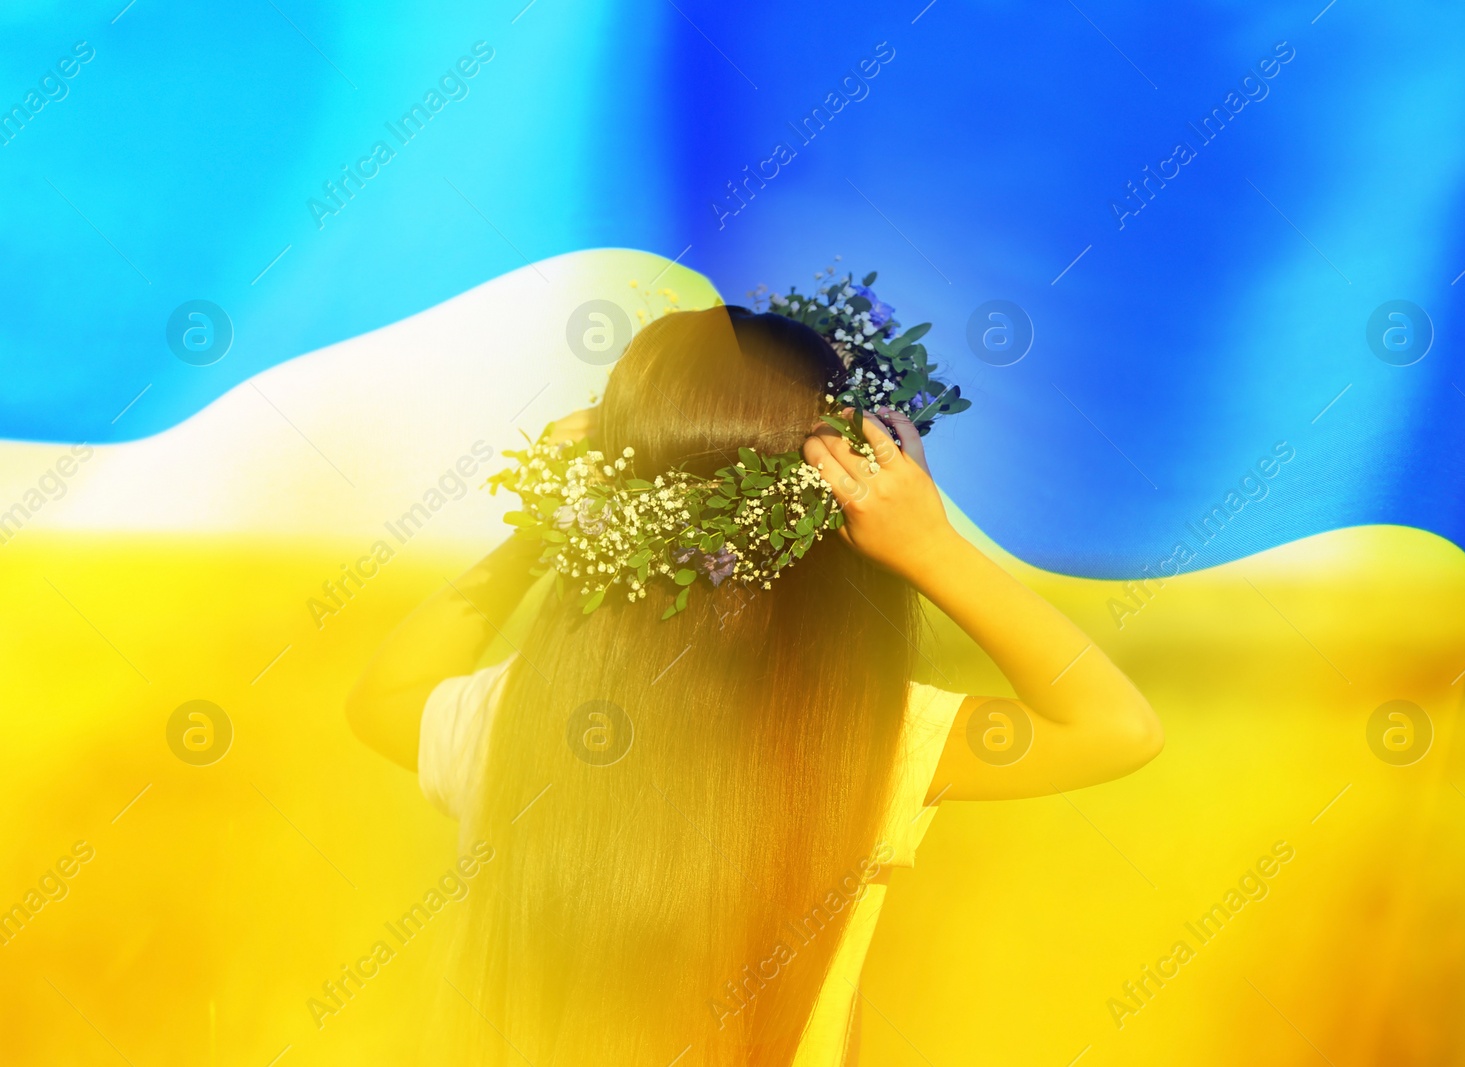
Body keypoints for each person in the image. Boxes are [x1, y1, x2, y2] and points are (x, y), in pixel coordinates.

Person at [346, 301, 1162, 1066]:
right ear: (826, 512)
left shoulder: (520, 714)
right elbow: (1116, 728)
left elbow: (383, 698)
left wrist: (546, 523)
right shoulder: (864, 730)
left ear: (614, 506)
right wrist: (929, 546)